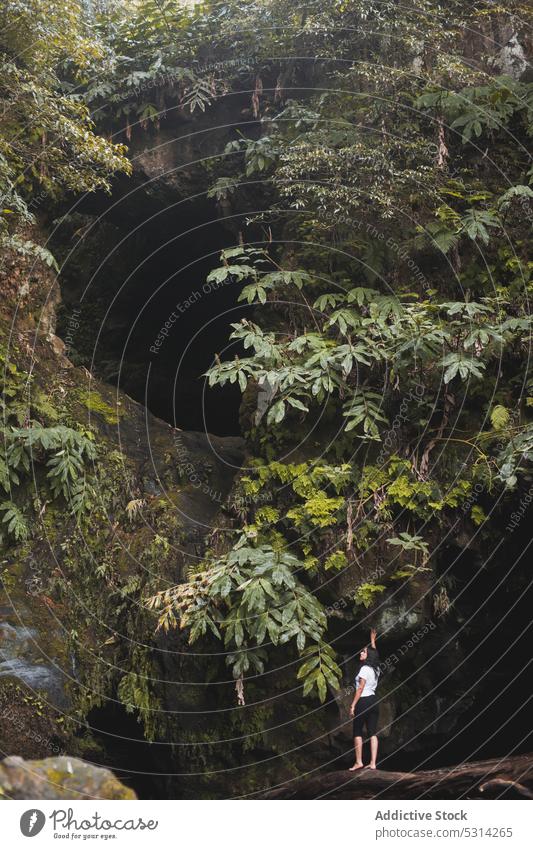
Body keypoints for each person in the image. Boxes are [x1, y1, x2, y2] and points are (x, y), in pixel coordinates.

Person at [349, 627, 380, 770]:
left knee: (357, 732)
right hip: (374, 701)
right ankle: (373, 763)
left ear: (367, 656)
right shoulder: (376, 669)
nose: (361, 653)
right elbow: (375, 655)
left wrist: (353, 705)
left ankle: (359, 762)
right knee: (372, 732)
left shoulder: (364, 669)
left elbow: (360, 688)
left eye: (364, 652)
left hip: (364, 701)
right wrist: (372, 641)